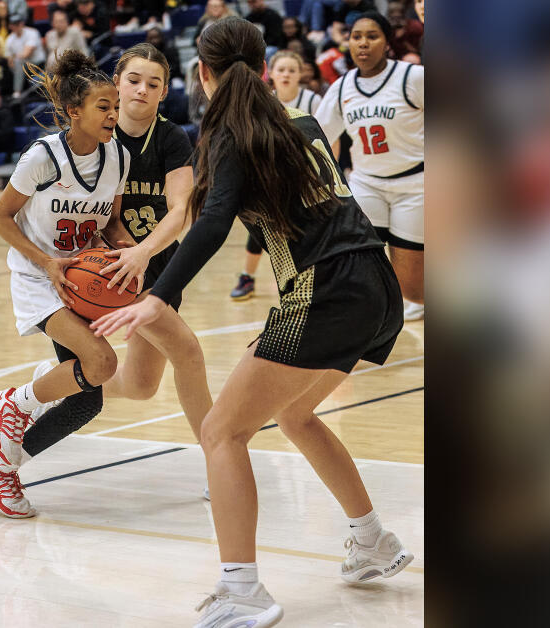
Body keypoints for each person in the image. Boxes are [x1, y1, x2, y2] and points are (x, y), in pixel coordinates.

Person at [91, 17, 413, 627]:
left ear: (203, 74)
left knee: (220, 432)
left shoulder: (228, 136)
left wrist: (158, 294)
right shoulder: (303, 123)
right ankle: (373, 541)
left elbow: (212, 222)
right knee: (294, 414)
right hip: (375, 281)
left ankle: (243, 592)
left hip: (323, 291)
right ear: (265, 69)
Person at [0, 51, 135, 518]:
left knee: (87, 402)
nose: (113, 114)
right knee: (101, 361)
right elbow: (0, 218)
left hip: (80, 276)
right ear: (74, 112)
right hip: (39, 276)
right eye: (103, 106)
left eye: (114, 106)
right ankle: (13, 401)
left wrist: (130, 254)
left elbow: (113, 224)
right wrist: (46, 263)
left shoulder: (117, 157)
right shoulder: (42, 157)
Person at [83, 43, 213, 450]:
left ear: (163, 91)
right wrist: (127, 253)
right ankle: (218, 458)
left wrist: (145, 251)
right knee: (187, 352)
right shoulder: (96, 132)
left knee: (140, 386)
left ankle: (47, 389)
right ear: (117, 83)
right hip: (112, 265)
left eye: (152, 83)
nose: (142, 89)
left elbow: (181, 210)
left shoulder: (172, 138)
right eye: (134, 80)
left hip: (157, 261)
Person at [315, 12, 424, 320]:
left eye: (372, 36)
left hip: (415, 185)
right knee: (358, 265)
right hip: (367, 183)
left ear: (387, 42)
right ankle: (364, 323)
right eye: (356, 36)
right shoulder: (341, 87)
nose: (363, 43)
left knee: (413, 290)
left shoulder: (413, 77)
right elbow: (316, 137)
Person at [229, 50, 321, 300]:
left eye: (292, 70)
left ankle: (311, 276)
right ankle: (247, 276)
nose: (286, 74)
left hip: (308, 174)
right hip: (274, 174)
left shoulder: (312, 100)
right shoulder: (264, 100)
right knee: (262, 224)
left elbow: (326, 138)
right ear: (271, 74)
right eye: (281, 70)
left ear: (300, 73)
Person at [4, 14, 46, 98]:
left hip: (37, 64)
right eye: (14, 24)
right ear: (10, 26)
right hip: (21, 66)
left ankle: (17, 91)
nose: (17, 26)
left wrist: (14, 58)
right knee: (10, 65)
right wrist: (11, 62)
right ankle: (6, 93)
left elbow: (27, 53)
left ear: (22, 24)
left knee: (19, 62)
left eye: (18, 23)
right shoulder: (9, 39)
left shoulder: (32, 33)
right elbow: (9, 58)